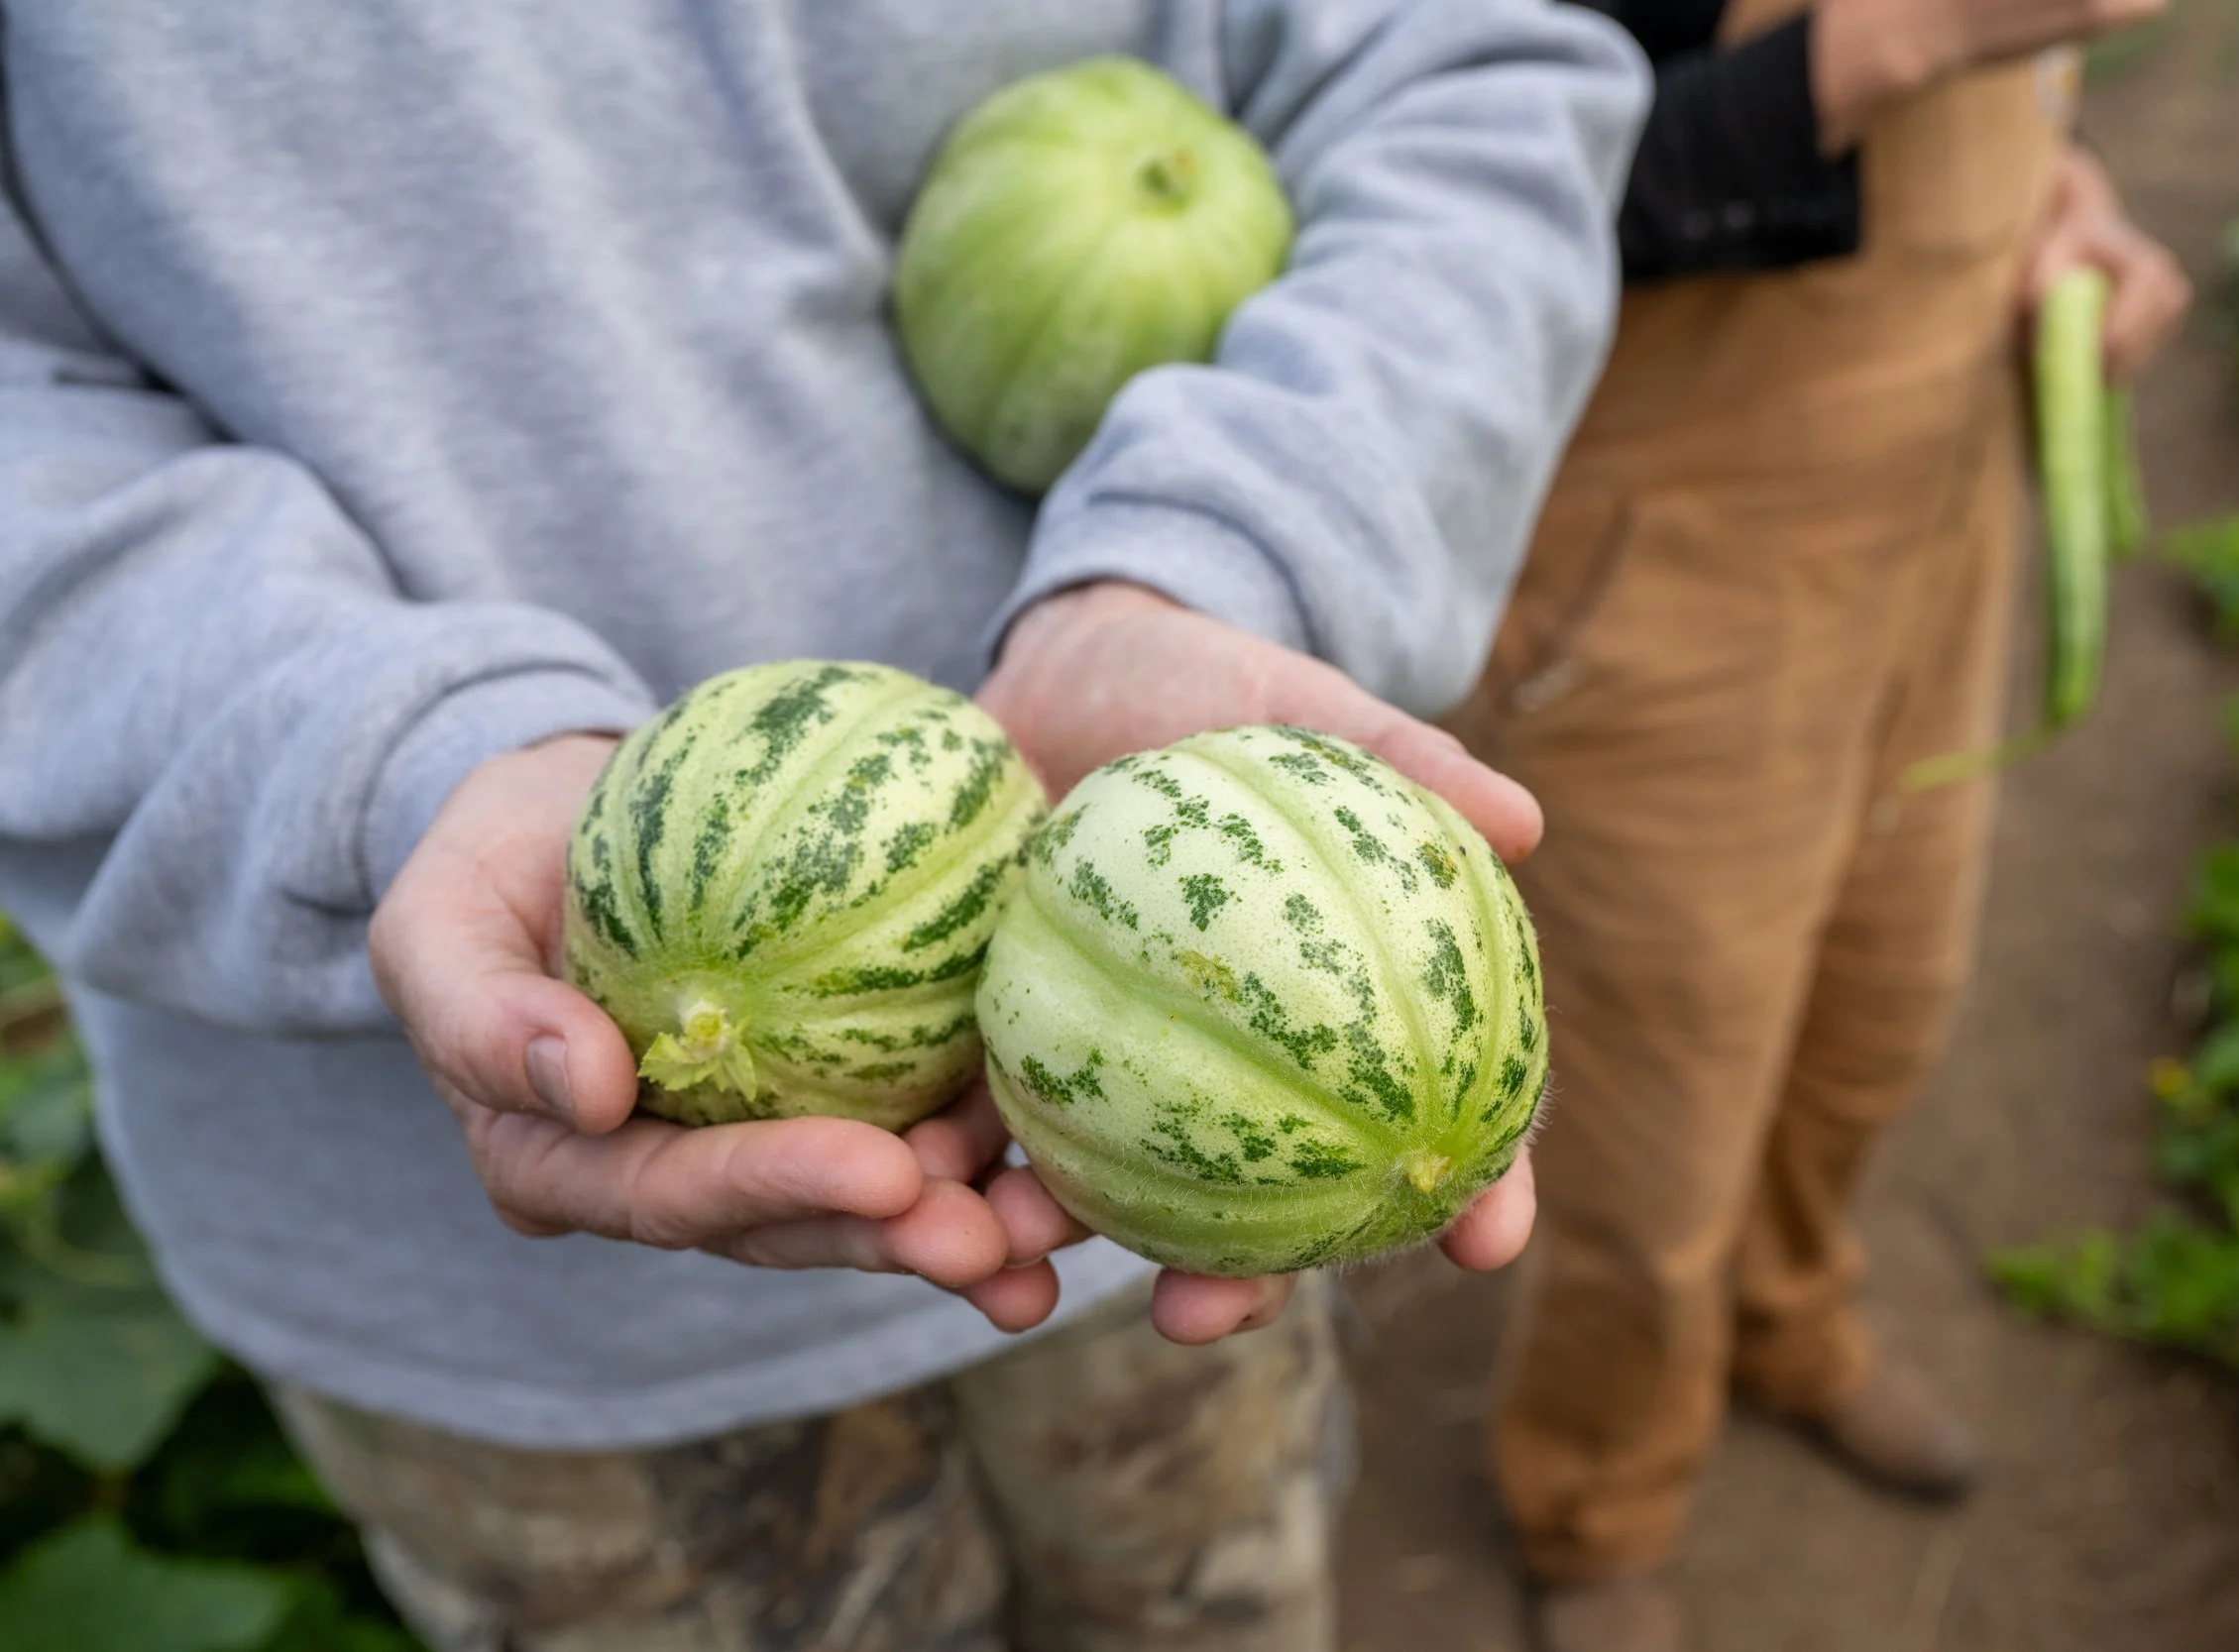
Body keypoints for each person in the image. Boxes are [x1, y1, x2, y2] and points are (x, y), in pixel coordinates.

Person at [0, 6, 1645, 1648]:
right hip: (489, 1331)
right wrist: (390, 762)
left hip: (1135, 1235)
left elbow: (1477, 72)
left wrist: (1219, 546)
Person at [1453, 1, 2192, 1647]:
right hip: (1672, 564)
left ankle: (1791, 1320)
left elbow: (2015, 95)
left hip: (1937, 512)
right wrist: (1918, 35)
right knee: (1654, 1133)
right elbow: (1465, 181)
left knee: (1882, 1010)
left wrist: (2065, 194)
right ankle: (1598, 1498)